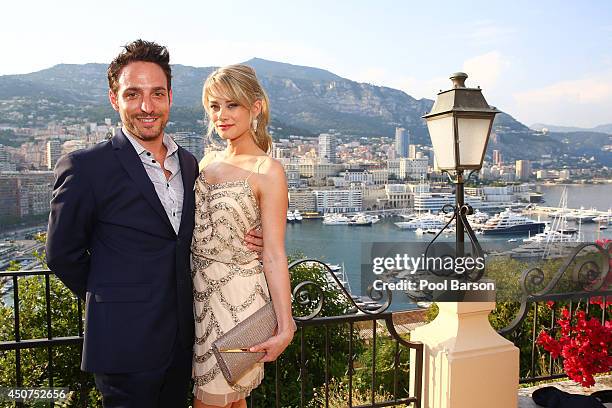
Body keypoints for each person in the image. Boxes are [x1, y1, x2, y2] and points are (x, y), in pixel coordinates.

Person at [45, 40, 263, 408]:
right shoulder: (85, 167)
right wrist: (115, 299)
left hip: (186, 341)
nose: (147, 106)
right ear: (115, 99)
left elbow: (200, 233)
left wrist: (247, 239)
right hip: (124, 347)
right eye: (133, 94)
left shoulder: (192, 164)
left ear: (170, 98)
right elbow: (62, 255)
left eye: (156, 94)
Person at [192, 65, 295, 408]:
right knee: (233, 402)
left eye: (231, 105)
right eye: (215, 106)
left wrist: (286, 324)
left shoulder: (268, 170)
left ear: (255, 107)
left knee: (213, 400)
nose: (221, 115)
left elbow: (275, 254)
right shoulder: (206, 161)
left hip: (240, 304)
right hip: (198, 299)